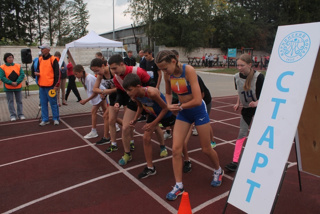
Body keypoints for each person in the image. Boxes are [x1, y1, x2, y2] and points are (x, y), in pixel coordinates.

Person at [155, 50, 223, 201]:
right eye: (161, 69)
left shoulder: (189, 70)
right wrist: (168, 104)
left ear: (173, 61)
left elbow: (198, 100)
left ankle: (218, 170)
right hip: (183, 111)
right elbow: (167, 93)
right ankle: (178, 185)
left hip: (198, 111)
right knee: (176, 149)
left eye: (165, 68)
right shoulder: (167, 74)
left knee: (206, 148)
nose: (163, 72)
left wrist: (179, 107)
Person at [123, 73, 173, 178]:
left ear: (138, 86)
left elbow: (165, 108)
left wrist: (153, 124)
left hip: (167, 114)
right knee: (146, 138)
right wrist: (135, 119)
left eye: (129, 90)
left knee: (178, 140)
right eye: (126, 91)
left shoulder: (151, 93)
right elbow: (140, 107)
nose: (127, 93)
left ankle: (186, 160)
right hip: (153, 114)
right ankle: (150, 168)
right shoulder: (134, 95)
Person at [107, 54, 154, 166]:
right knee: (125, 127)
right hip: (134, 102)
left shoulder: (138, 71)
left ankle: (163, 146)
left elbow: (151, 84)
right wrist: (118, 101)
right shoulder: (116, 78)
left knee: (155, 126)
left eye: (114, 68)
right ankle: (127, 153)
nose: (113, 71)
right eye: (111, 69)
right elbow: (120, 92)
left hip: (148, 100)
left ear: (122, 64)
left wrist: (147, 97)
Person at [225, 53, 264, 172]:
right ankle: (235, 161)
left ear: (250, 65)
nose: (239, 68)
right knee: (242, 133)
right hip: (246, 108)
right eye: (238, 65)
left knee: (259, 135)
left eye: (242, 65)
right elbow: (240, 92)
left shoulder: (259, 77)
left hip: (259, 109)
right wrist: (238, 103)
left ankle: (260, 158)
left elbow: (266, 94)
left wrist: (257, 102)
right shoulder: (236, 77)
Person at [73, 64, 110, 140]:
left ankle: (94, 131)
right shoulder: (83, 78)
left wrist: (86, 100)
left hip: (100, 94)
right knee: (106, 111)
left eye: (76, 74)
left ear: (81, 71)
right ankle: (115, 125)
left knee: (93, 111)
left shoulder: (89, 79)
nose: (75, 76)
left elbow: (95, 92)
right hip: (100, 94)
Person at [90, 58, 121, 145]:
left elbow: (121, 86)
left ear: (103, 66)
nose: (97, 73)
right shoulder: (100, 75)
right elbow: (95, 89)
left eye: (97, 70)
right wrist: (104, 92)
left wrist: (108, 91)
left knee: (107, 116)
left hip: (122, 96)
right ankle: (107, 137)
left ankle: (107, 137)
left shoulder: (113, 72)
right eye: (94, 72)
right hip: (112, 97)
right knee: (109, 117)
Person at [35, 44, 60, 126]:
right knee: (43, 103)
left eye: (43, 49)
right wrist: (36, 74)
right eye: (41, 49)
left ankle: (56, 118)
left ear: (48, 50)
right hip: (42, 86)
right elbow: (38, 70)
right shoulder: (39, 59)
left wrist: (56, 85)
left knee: (53, 103)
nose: (42, 50)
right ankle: (45, 119)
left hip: (51, 86)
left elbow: (57, 73)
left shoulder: (53, 59)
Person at [0, 53, 26, 121]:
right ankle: (12, 115)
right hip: (8, 87)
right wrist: (11, 82)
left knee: (19, 101)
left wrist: (17, 82)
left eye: (11, 57)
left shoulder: (18, 66)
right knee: (10, 101)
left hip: (18, 86)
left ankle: (20, 114)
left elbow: (22, 74)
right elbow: (2, 77)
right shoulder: (2, 67)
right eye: (9, 57)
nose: (11, 59)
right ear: (6, 59)